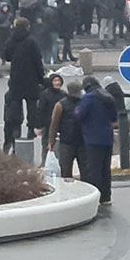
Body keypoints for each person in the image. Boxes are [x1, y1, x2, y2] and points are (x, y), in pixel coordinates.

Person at [1, 17, 45, 152]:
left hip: (16, 79)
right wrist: (41, 77)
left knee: (16, 105)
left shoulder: (11, 40)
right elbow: (38, 60)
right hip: (31, 79)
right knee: (32, 105)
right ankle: (31, 128)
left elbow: (6, 56)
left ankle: (16, 129)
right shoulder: (31, 41)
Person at [74, 75, 116, 204]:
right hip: (108, 137)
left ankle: (95, 197)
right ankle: (106, 197)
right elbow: (114, 117)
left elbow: (79, 115)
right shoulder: (108, 96)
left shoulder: (89, 97)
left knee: (94, 169)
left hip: (93, 138)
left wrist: (76, 110)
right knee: (105, 168)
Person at [46, 81, 84, 180]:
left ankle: (67, 192)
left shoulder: (60, 104)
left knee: (66, 172)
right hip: (81, 141)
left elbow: (54, 124)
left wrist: (51, 141)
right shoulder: (84, 102)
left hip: (67, 141)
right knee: (85, 172)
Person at [33, 73, 64, 150]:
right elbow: (40, 111)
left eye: (59, 80)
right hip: (48, 125)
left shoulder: (64, 94)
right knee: (46, 147)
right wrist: (38, 126)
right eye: (55, 81)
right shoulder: (45, 94)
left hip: (61, 124)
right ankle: (44, 161)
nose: (57, 83)